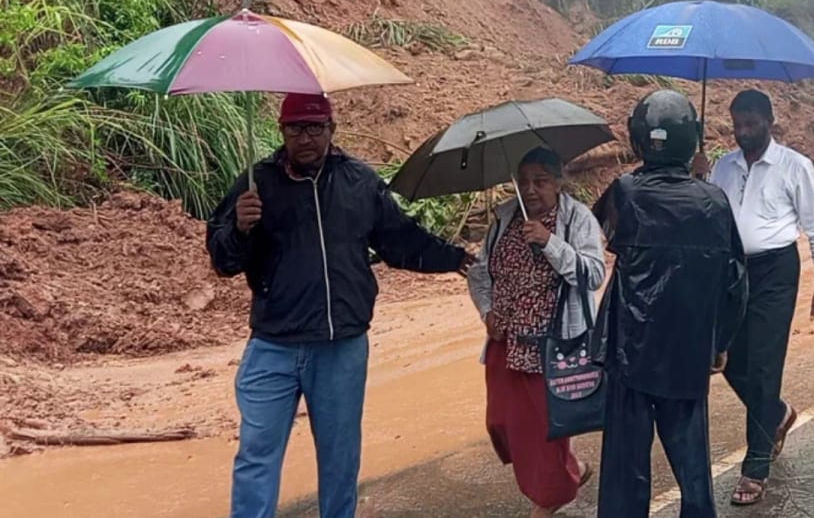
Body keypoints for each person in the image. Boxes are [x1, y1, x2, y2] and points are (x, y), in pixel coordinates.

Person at [206, 92, 473, 518]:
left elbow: (398, 239)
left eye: (315, 127)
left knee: (339, 459)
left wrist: (454, 258)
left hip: (341, 346)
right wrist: (239, 228)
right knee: (257, 456)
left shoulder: (360, 182)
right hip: (273, 346)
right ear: (282, 132)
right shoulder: (255, 185)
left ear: (332, 129)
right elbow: (223, 261)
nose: (305, 137)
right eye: (295, 128)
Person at [592, 89, 749, 518]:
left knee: (626, 468)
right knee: (692, 465)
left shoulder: (625, 191)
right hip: (688, 349)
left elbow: (603, 232)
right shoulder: (713, 201)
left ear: (637, 139)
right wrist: (720, 342)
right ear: (692, 139)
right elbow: (736, 283)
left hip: (632, 350)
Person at [693, 88, 814, 506]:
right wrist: (699, 179)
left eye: (751, 123)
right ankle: (775, 413)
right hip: (732, 271)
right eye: (737, 124)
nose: (743, 131)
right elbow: (707, 217)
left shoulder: (795, 166)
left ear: (769, 121)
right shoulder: (723, 167)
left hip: (776, 271)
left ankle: (755, 467)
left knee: (765, 364)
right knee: (726, 358)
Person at [466, 147, 606, 518]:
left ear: (559, 182)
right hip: (505, 340)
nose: (530, 190)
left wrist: (549, 242)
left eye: (540, 181)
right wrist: (487, 312)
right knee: (501, 422)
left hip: (550, 344)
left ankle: (550, 496)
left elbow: (593, 274)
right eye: (524, 181)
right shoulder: (506, 218)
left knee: (543, 428)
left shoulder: (577, 219)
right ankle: (570, 472)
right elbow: (480, 273)